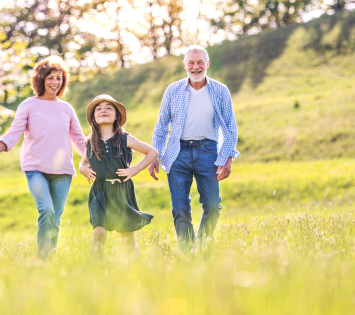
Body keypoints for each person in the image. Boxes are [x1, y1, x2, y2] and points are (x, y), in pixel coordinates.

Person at [0, 56, 86, 259]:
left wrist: (91, 160)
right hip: (35, 168)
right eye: (51, 77)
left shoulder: (66, 109)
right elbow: (13, 133)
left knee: (56, 218)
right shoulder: (29, 105)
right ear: (41, 80)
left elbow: (80, 140)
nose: (55, 82)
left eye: (59, 78)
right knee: (46, 210)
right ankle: (42, 259)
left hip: (62, 170)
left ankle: (50, 260)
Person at [149, 46, 240, 249]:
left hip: (208, 152)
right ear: (185, 66)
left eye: (200, 62)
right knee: (180, 208)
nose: (196, 67)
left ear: (207, 64)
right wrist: (155, 154)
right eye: (191, 62)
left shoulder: (220, 90)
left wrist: (228, 158)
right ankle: (186, 251)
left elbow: (231, 129)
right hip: (177, 153)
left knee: (212, 206)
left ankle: (202, 246)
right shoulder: (173, 90)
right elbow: (162, 126)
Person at [79, 94, 158, 259]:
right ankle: (96, 267)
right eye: (98, 108)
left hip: (121, 190)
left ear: (117, 116)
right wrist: (82, 169)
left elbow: (152, 152)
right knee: (99, 232)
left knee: (126, 237)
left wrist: (135, 169)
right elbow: (83, 162)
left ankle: (135, 263)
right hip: (99, 191)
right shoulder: (90, 142)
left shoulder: (125, 138)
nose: (103, 111)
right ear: (93, 117)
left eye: (109, 107)